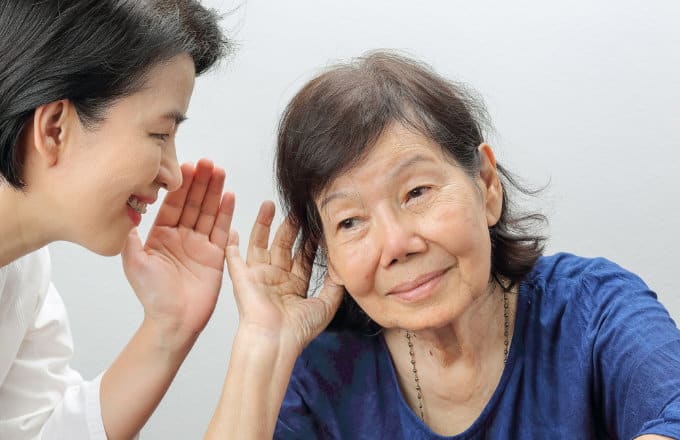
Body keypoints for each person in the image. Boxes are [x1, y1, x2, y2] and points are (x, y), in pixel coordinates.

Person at [206, 51, 680, 439]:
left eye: (417, 192)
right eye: (351, 221)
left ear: (487, 186)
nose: (395, 244)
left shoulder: (591, 308)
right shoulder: (319, 375)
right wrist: (261, 344)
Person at [0, 1, 234, 439]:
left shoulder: (25, 274)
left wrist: (170, 327)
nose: (172, 173)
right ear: (55, 128)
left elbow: (39, 432)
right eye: (160, 135)